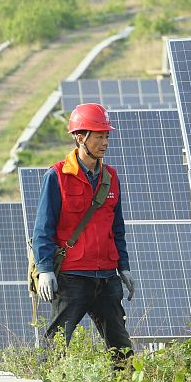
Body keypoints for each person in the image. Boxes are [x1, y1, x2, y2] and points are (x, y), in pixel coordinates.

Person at [32, 102, 134, 367]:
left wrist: (123, 266)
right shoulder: (57, 176)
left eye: (107, 136)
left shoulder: (110, 177)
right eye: (99, 136)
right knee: (57, 343)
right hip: (72, 276)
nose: (105, 142)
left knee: (121, 346)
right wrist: (45, 269)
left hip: (106, 276)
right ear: (80, 138)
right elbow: (43, 227)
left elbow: (117, 227)